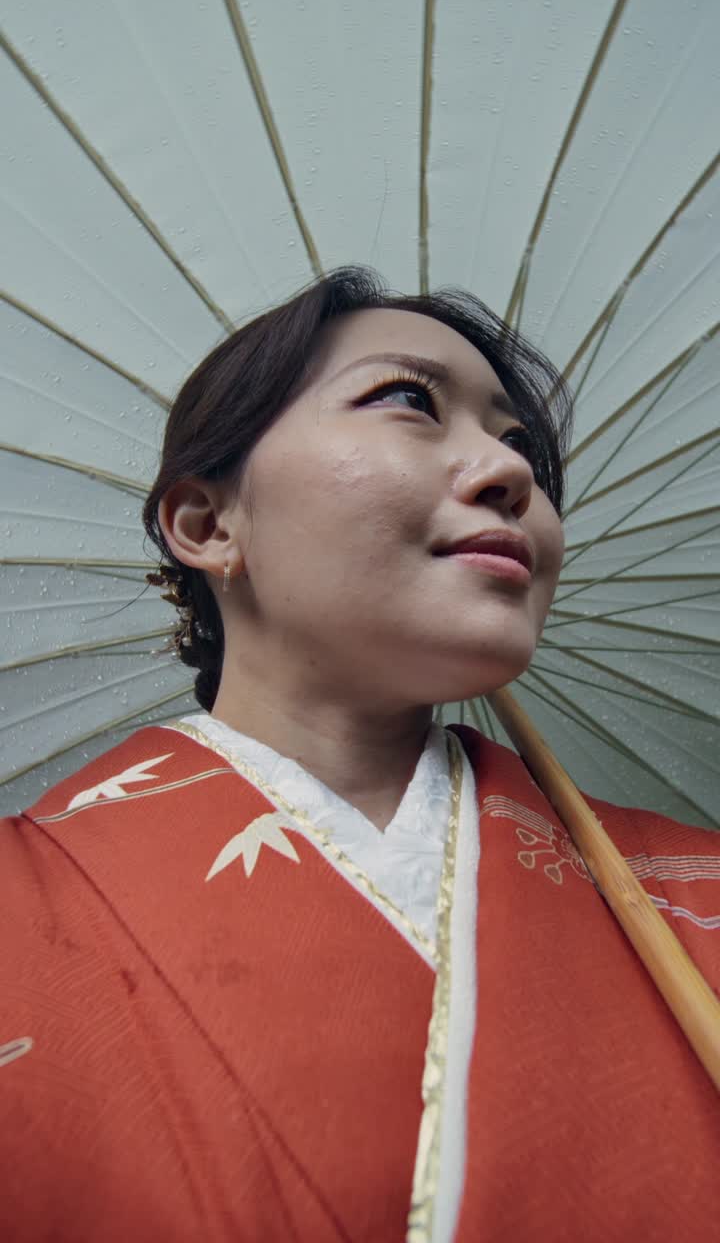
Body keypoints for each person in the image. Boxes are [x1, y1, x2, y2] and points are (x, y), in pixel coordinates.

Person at [1, 266, 718, 1243]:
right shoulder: (21, 904)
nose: (509, 474)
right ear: (209, 524)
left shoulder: (695, 897)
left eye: (521, 447)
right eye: (408, 401)